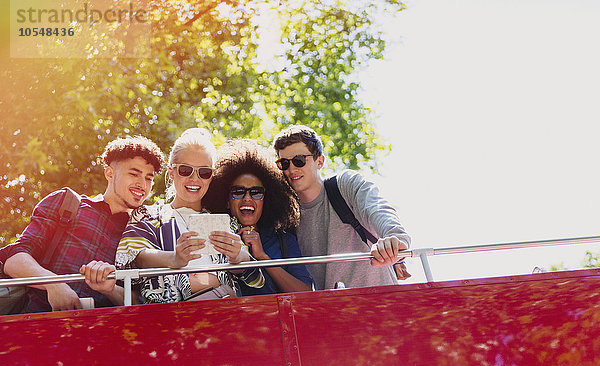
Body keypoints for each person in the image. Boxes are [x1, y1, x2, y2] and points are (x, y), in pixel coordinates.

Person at [98, 128, 264, 305]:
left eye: (204, 172)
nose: (195, 179)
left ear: (211, 177)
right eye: (185, 170)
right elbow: (136, 257)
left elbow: (256, 280)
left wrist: (238, 256)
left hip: (224, 315)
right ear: (171, 172)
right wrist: (174, 258)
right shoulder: (147, 215)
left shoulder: (225, 222)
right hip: (167, 319)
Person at [3, 135, 165, 312]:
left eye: (149, 178)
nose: (142, 184)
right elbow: (14, 260)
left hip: (104, 333)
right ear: (110, 173)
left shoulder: (143, 231)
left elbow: (142, 300)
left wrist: (110, 289)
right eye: (134, 174)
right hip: (38, 326)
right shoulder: (66, 203)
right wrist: (54, 284)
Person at [272, 125, 411, 290]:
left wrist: (395, 237)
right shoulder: (288, 217)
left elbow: (377, 208)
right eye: (284, 163)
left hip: (380, 305)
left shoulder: (345, 185)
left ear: (320, 161)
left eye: (299, 160)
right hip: (333, 312)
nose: (292, 169)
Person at [205, 139, 315, 295]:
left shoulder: (284, 241)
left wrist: (263, 257)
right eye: (238, 192)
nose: (247, 198)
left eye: (256, 192)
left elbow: (306, 293)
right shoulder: (214, 239)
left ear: (266, 200)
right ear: (227, 201)